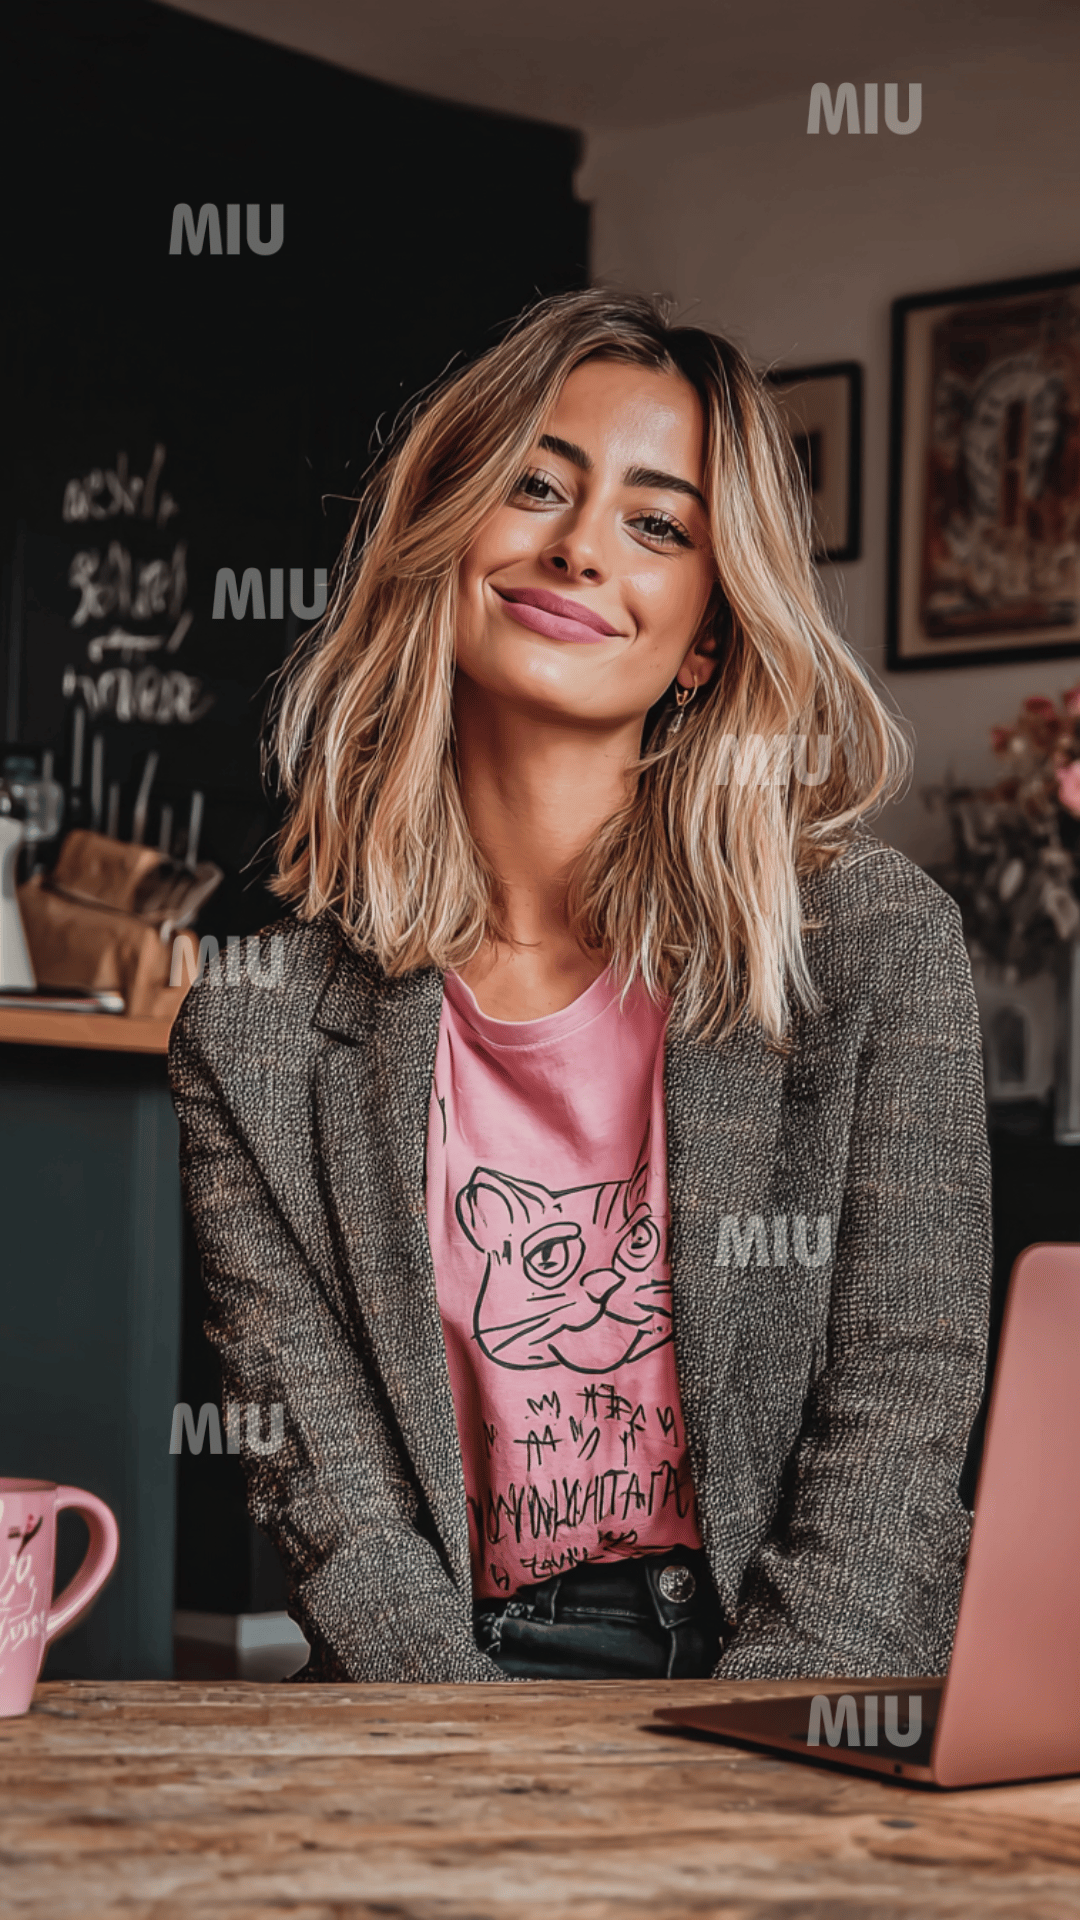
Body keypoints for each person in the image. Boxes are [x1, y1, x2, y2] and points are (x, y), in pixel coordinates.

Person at [169, 288, 991, 1684]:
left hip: (781, 1664)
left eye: (656, 524)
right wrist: (477, 1763)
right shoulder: (250, 1024)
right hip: (434, 1684)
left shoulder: (867, 945)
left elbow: (899, 1423)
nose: (579, 545)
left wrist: (764, 1751)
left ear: (712, 635)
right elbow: (330, 1499)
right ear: (445, 534)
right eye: (536, 486)